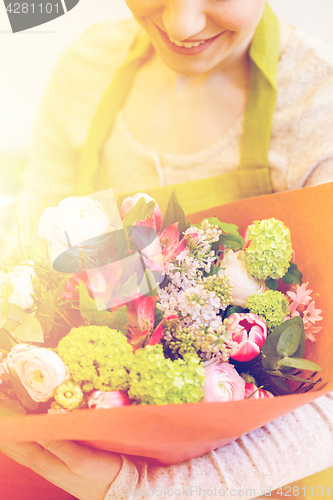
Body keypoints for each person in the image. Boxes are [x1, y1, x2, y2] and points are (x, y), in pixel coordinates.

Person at [1, 0, 333, 499]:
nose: (182, 24)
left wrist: (137, 489)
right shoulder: (86, 68)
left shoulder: (317, 104)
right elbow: (23, 246)